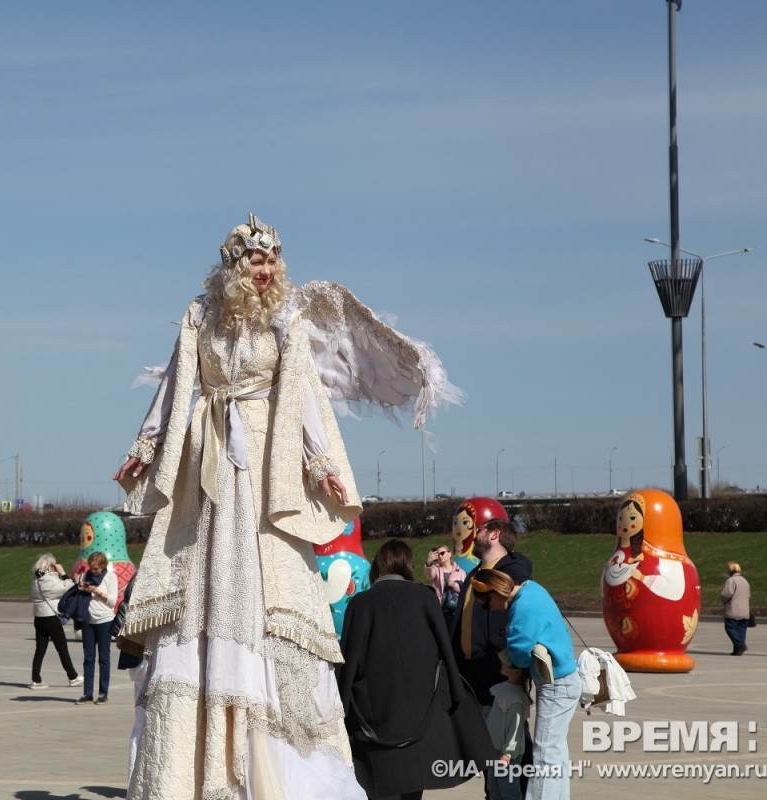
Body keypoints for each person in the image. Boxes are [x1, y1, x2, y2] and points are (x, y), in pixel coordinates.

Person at [114, 215, 456, 799]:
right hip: (208, 449)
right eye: (254, 260)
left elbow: (301, 393)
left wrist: (320, 460)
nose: (265, 269)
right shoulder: (200, 314)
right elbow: (176, 385)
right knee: (197, 578)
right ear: (232, 266)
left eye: (271, 260)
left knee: (265, 579)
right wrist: (145, 447)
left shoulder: (287, 317)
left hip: (264, 451)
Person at [338, 540, 493, 800]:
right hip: (422, 712)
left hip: (377, 717)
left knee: (381, 789)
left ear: (377, 566)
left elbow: (349, 662)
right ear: (408, 565)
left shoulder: (361, 603)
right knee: (412, 790)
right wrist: (455, 695)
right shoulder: (425, 597)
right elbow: (445, 649)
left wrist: (339, 710)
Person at [472, 569, 581, 800]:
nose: (490, 609)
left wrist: (510, 640)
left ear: (495, 595)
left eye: (486, 603)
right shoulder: (532, 588)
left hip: (555, 686)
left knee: (544, 755)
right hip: (567, 681)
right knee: (556, 753)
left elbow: (520, 655)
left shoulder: (521, 608)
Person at [452, 517, 533, 708]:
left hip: (498, 668)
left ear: (495, 534)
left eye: (480, 529)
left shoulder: (513, 573)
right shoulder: (474, 574)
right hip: (469, 669)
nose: (474, 535)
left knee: (508, 731)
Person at [29, 553, 83, 689]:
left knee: (40, 649)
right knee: (62, 648)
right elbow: (69, 587)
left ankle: (36, 679)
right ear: (51, 567)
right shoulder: (50, 580)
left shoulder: (36, 580)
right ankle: (73, 676)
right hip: (51, 618)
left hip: (39, 617)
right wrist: (63, 573)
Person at [74, 552, 117, 706]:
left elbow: (112, 601)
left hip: (105, 620)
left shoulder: (110, 577)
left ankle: (103, 693)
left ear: (103, 566)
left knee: (104, 658)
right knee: (88, 658)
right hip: (88, 621)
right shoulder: (86, 575)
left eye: (97, 569)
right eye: (92, 568)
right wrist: (80, 587)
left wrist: (97, 591)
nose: (94, 571)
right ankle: (87, 693)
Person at [485, 660, 530, 800]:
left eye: (505, 663)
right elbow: (493, 715)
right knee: (493, 788)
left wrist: (508, 753)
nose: (501, 664)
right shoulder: (500, 689)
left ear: (516, 672)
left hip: (507, 755)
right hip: (494, 749)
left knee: (509, 790)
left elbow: (515, 729)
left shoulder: (516, 698)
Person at [424, 544, 466, 633]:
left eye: (442, 553)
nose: (440, 556)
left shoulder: (460, 571)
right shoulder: (436, 569)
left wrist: (454, 585)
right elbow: (429, 575)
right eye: (438, 554)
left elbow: (464, 590)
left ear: (450, 554)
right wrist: (429, 561)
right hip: (440, 607)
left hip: (455, 608)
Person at [721, 562, 751, 656]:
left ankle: (740, 645)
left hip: (733, 610)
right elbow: (749, 595)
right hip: (744, 610)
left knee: (730, 628)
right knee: (741, 630)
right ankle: (737, 649)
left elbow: (726, 594)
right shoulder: (745, 581)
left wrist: (723, 600)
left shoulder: (731, 581)